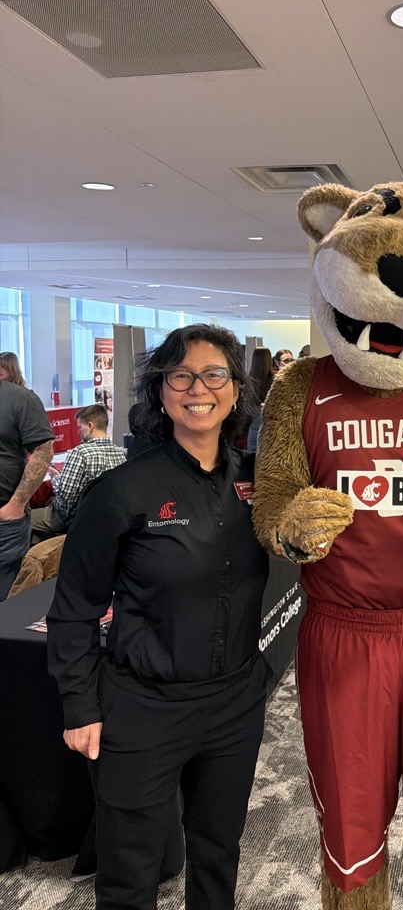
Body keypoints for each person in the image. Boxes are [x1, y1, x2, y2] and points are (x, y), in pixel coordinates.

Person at [47, 324, 271, 910]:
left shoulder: (259, 482)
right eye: (181, 376)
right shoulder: (121, 490)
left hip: (234, 703)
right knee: (129, 873)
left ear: (235, 389)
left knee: (218, 854)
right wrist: (79, 704)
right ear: (161, 390)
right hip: (144, 708)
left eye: (214, 374)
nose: (198, 389)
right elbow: (73, 609)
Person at [29, 404, 125, 545]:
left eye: (80, 427)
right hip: (104, 520)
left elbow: (65, 498)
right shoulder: (119, 454)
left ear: (90, 426)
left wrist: (55, 478)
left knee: (23, 517)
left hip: (72, 519)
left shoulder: (80, 453)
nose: (78, 432)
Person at [0, 367, 54, 599]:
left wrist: (16, 504)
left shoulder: (19, 398)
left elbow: (43, 451)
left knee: (6, 598)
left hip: (5, 521)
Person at [245, 346, 272, 452]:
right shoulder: (275, 382)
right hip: (269, 430)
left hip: (253, 428)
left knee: (251, 459)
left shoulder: (247, 382)